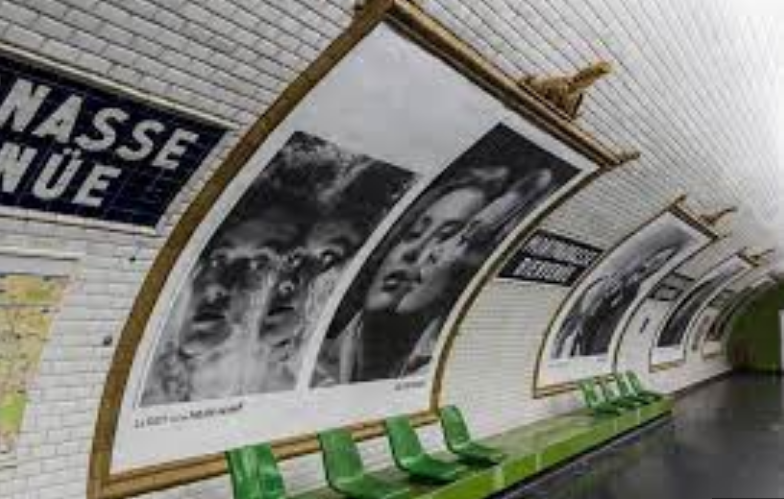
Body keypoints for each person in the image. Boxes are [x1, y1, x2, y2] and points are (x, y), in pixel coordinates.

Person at [313, 165, 555, 385]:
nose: (417, 253)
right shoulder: (312, 348)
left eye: (451, 237)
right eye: (414, 233)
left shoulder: (446, 368)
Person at [551, 230, 690, 358]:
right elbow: (603, 315)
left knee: (595, 323)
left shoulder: (590, 338)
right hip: (599, 320)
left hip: (598, 323)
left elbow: (601, 317)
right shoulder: (592, 340)